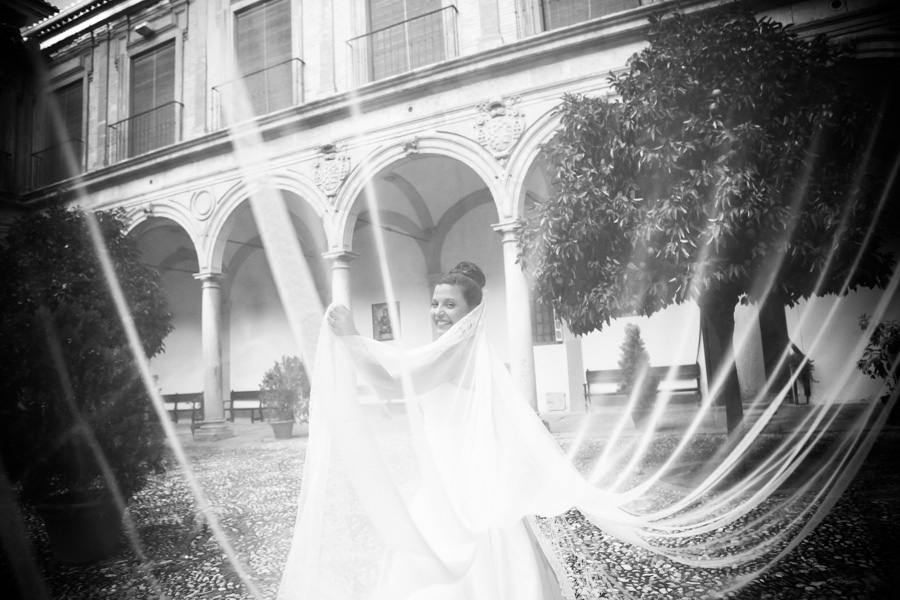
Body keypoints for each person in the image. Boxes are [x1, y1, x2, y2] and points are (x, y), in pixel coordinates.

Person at [277, 262, 641, 600]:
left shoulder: (454, 355)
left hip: (461, 479)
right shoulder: (455, 350)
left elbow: (391, 386)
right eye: (435, 303)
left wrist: (351, 338)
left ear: (471, 312)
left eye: (449, 305)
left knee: (466, 557)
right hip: (447, 472)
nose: (438, 311)